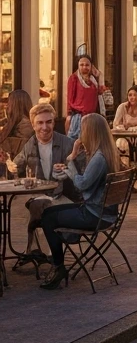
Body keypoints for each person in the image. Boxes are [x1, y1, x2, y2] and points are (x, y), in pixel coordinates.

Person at [39, 111, 121, 290]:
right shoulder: (108, 153)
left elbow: (82, 184)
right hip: (106, 213)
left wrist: (71, 160)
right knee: (48, 213)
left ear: (91, 132)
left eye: (83, 130)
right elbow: (84, 180)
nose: (80, 134)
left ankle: (58, 266)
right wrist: (71, 165)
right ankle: (58, 260)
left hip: (94, 215)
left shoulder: (99, 158)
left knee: (47, 218)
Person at [15, 102, 83, 256]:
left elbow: (83, 175)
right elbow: (16, 166)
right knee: (37, 204)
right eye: (40, 123)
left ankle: (42, 253)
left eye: (49, 122)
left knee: (38, 207)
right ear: (33, 125)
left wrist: (68, 171)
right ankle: (43, 253)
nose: (44, 127)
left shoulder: (68, 144)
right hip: (43, 196)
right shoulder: (31, 144)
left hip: (67, 197)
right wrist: (7, 162)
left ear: (54, 123)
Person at [66, 55, 103, 138]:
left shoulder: (93, 80)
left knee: (91, 141)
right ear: (78, 66)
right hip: (78, 117)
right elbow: (70, 99)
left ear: (91, 66)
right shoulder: (74, 78)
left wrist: (99, 76)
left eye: (87, 65)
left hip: (92, 117)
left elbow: (99, 93)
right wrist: (68, 115)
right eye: (81, 65)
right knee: (76, 141)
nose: (84, 67)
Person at [0, 89, 34, 159]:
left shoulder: (26, 125)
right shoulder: (14, 121)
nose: (7, 106)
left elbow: (22, 150)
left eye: (9, 103)